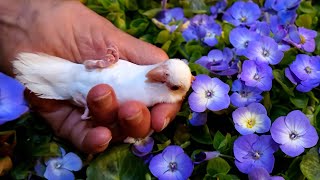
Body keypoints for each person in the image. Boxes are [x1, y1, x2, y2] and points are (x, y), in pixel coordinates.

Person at [0, 0, 181, 153]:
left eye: (172, 84)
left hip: (75, 93)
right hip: (75, 71)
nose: (161, 74)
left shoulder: (146, 101)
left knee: (111, 106)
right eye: (165, 68)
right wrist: (104, 62)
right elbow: (92, 67)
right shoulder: (137, 68)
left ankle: (83, 102)